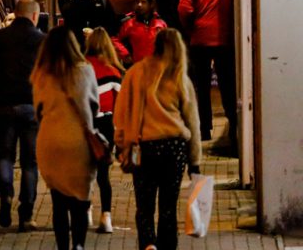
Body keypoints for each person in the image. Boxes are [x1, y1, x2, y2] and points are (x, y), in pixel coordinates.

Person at [115, 28, 203, 250]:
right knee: (168, 207)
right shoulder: (180, 77)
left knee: (144, 206)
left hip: (142, 147)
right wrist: (195, 162)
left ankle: (148, 245)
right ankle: (167, 246)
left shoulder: (136, 73)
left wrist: (121, 144)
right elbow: (193, 122)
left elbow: (121, 112)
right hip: (174, 147)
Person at [0, 0, 47, 233]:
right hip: (32, 107)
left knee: (5, 157)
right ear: (35, 16)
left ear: (15, 13)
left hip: (4, 106)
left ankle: (6, 197)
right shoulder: (41, 41)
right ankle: (27, 214)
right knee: (30, 162)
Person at [32, 25, 101, 250]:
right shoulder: (85, 70)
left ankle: (62, 247)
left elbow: (38, 111)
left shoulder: (41, 74)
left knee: (58, 202)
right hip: (78, 143)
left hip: (50, 142)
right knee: (80, 200)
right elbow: (95, 107)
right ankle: (79, 245)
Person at [179, 0, 237, 153]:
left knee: (201, 87)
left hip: (200, 40)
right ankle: (234, 124)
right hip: (225, 40)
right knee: (228, 84)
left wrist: (191, 29)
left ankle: (204, 128)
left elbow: (184, 10)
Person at [84, 28, 124, 234]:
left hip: (85, 125)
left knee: (85, 171)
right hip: (106, 126)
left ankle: (86, 211)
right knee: (103, 174)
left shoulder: (81, 67)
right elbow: (120, 107)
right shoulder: (114, 72)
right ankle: (106, 217)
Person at [117, 0, 167, 65]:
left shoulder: (161, 24)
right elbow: (115, 39)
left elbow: (169, 44)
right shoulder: (129, 23)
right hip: (138, 66)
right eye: (137, 2)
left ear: (151, 5)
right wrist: (125, 54)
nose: (139, 5)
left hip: (157, 66)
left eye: (143, 2)